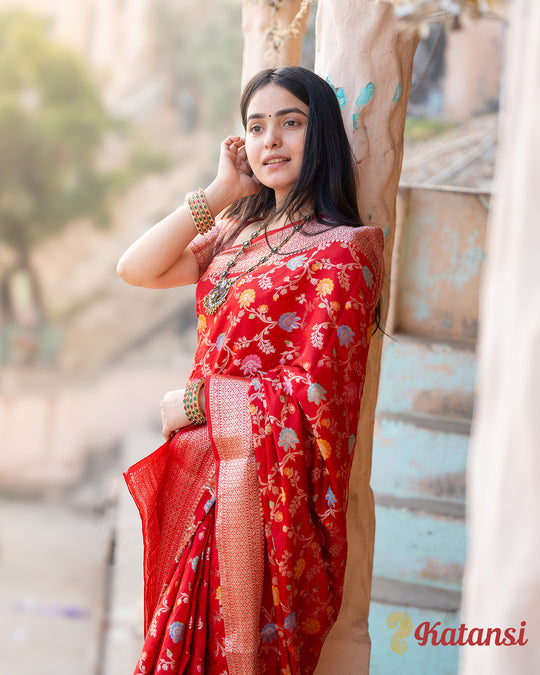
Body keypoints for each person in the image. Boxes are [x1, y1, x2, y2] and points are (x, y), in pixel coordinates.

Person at [117, 66, 384, 675]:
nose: (271, 141)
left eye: (291, 123)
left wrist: (200, 402)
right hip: (200, 479)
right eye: (256, 126)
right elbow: (136, 268)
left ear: (323, 137)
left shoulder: (342, 252)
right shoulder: (237, 233)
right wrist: (217, 194)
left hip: (262, 497)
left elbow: (315, 395)